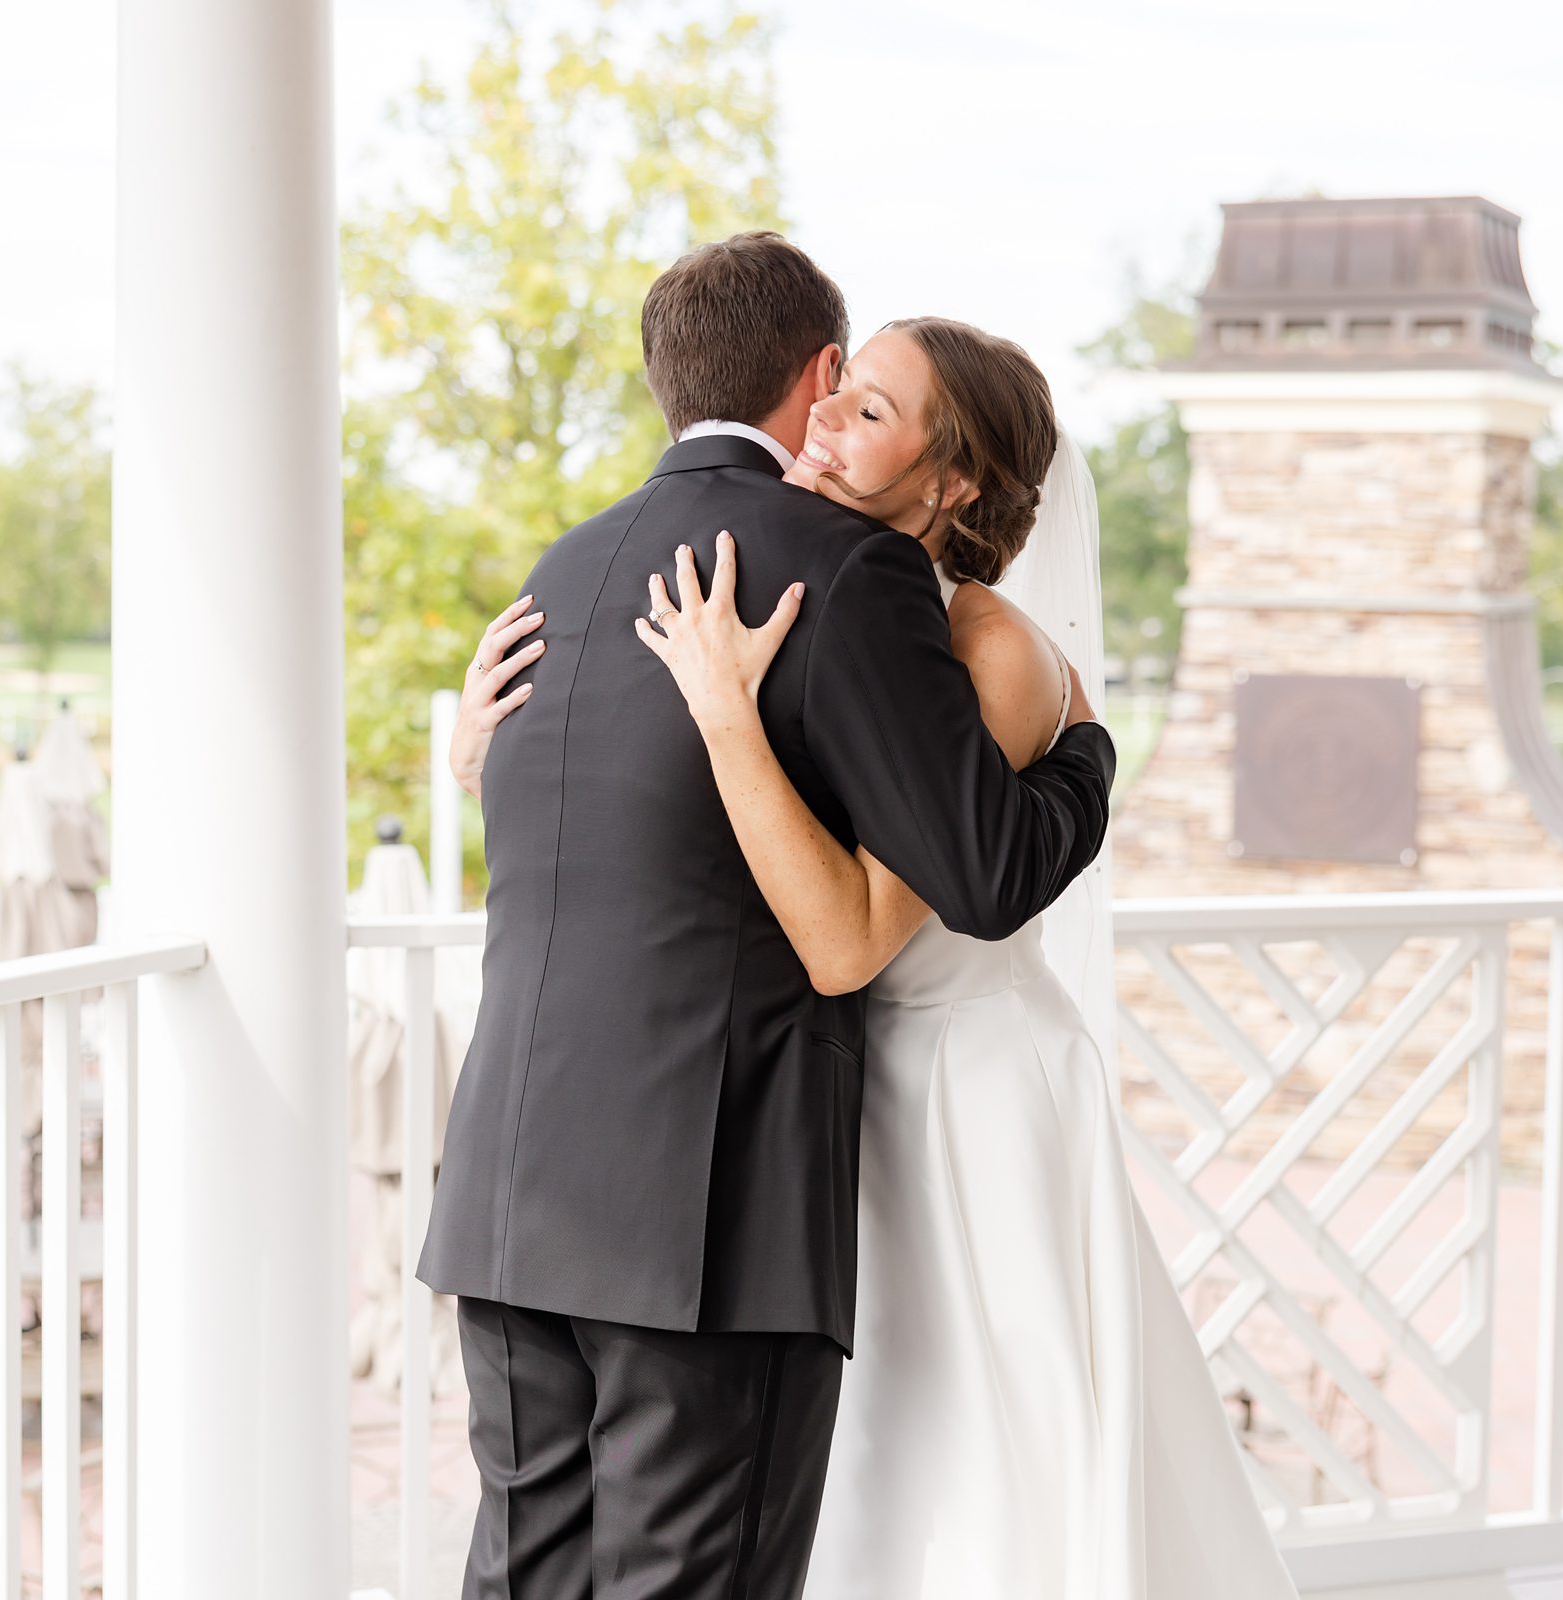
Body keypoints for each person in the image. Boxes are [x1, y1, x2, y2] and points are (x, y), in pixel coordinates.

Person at [459, 302, 1301, 1598]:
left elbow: (854, 930)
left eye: (868, 411)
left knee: (969, 1483)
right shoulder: (825, 603)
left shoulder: (980, 646)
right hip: (807, 1120)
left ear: (952, 477)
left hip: (953, 1108)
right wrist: (483, 757)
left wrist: (728, 715)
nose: (825, 428)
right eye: (836, 397)